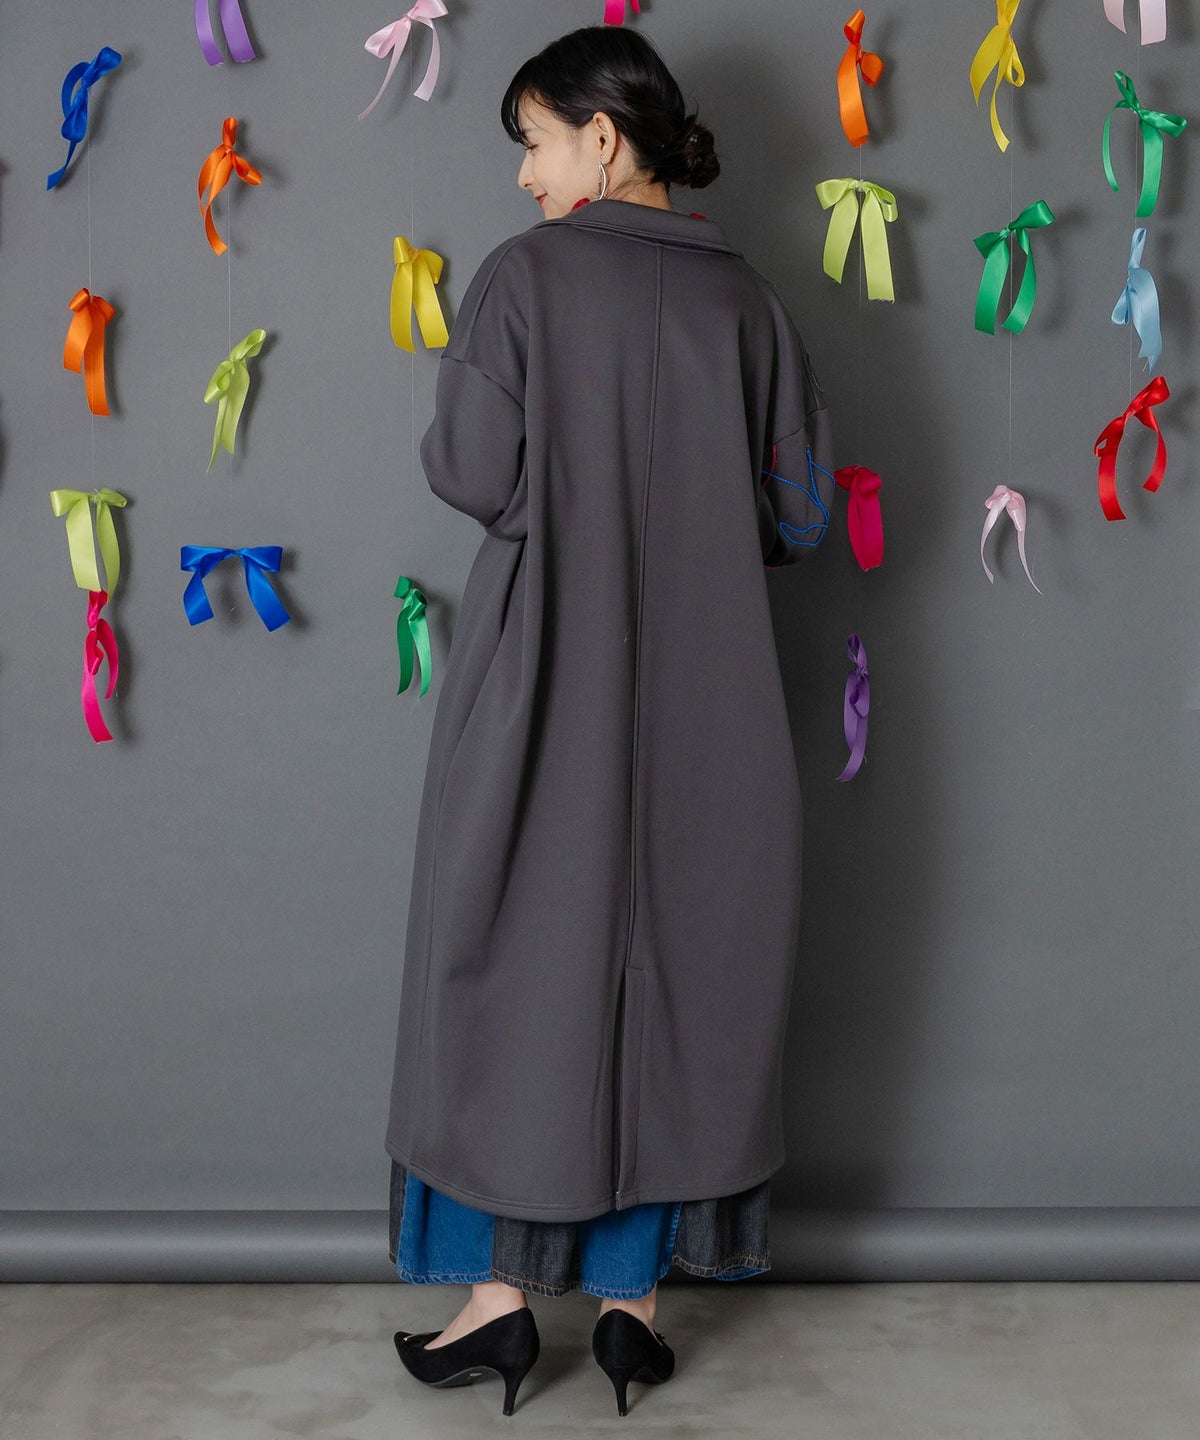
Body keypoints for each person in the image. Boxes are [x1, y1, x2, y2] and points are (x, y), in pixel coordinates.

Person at [386, 24, 834, 1417]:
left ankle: (498, 1305)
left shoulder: (522, 281)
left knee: (512, 955)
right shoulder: (749, 302)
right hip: (716, 691)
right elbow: (802, 513)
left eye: (533, 142)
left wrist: (571, 495)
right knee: (684, 968)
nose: (526, 177)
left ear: (602, 135)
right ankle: (635, 1311)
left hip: (545, 668)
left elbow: (473, 469)